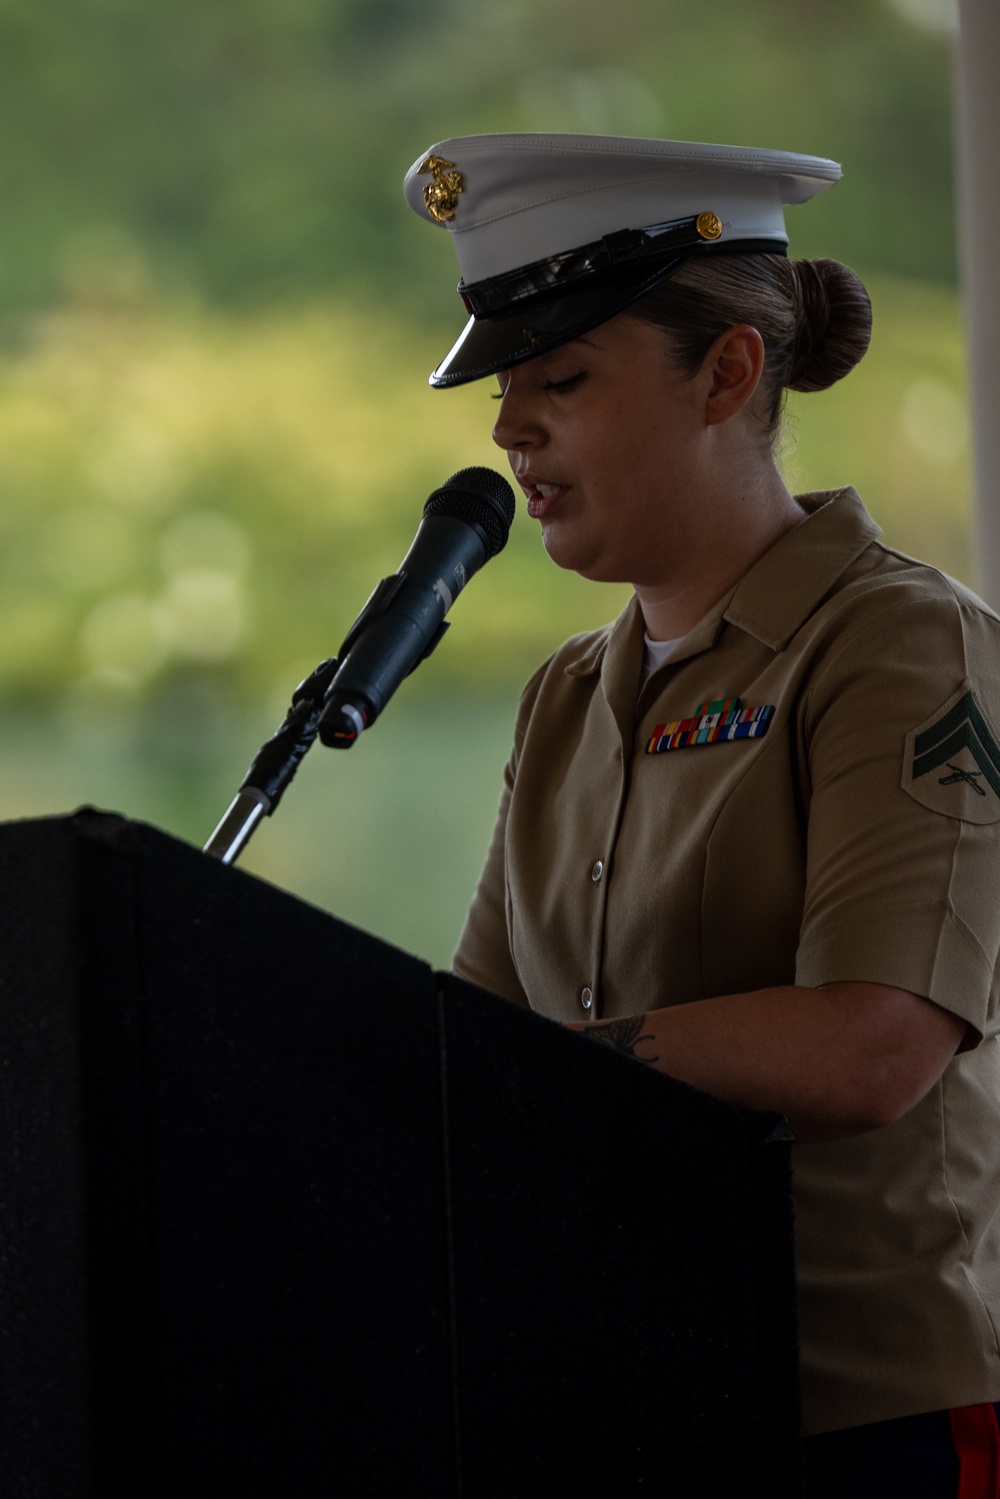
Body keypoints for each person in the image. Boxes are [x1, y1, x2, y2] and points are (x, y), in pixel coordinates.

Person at [403, 133, 1000, 1495]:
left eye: (560, 378)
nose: (508, 430)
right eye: (504, 387)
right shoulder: (567, 696)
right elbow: (474, 1047)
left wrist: (563, 1065)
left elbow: (870, 1048)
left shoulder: (899, 644)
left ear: (729, 373)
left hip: (857, 1425)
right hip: (609, 1401)